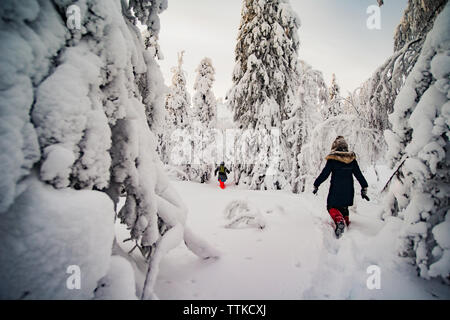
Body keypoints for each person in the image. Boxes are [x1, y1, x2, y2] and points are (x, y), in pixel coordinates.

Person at [313, 136, 369, 238]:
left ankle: (339, 221)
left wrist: (316, 184)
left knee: (331, 206)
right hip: (348, 191)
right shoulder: (351, 159)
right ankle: (346, 224)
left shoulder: (333, 159)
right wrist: (364, 187)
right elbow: (359, 175)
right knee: (344, 208)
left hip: (336, 190)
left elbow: (324, 174)